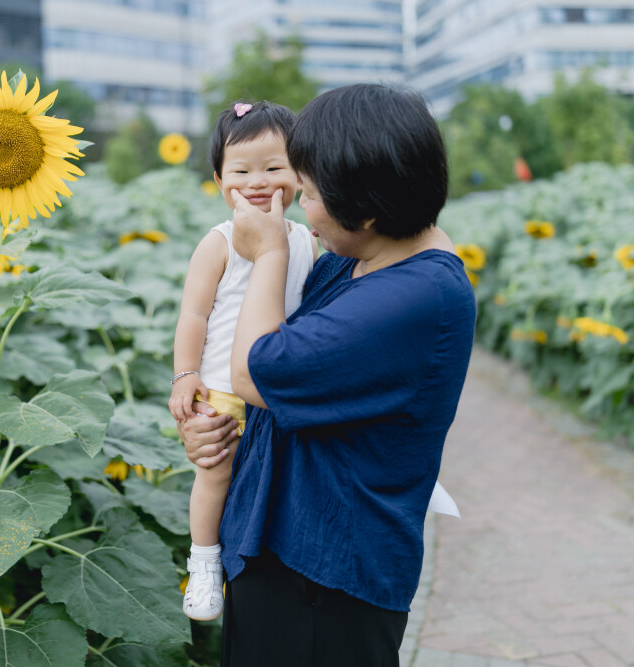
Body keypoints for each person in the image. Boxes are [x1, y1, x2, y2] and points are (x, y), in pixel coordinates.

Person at [178, 83, 476, 665]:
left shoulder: (414, 297)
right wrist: (207, 422)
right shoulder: (363, 256)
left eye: (307, 194)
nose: (298, 212)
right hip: (281, 548)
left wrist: (268, 254)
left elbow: (256, 372)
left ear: (364, 208)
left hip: (326, 577)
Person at [168, 100, 317, 621]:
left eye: (274, 168)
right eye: (242, 170)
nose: (259, 181)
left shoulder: (305, 241)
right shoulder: (220, 242)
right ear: (218, 180)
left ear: (300, 174)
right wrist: (185, 374)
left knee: (275, 475)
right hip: (220, 386)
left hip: (276, 387)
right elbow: (193, 316)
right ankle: (205, 562)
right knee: (215, 469)